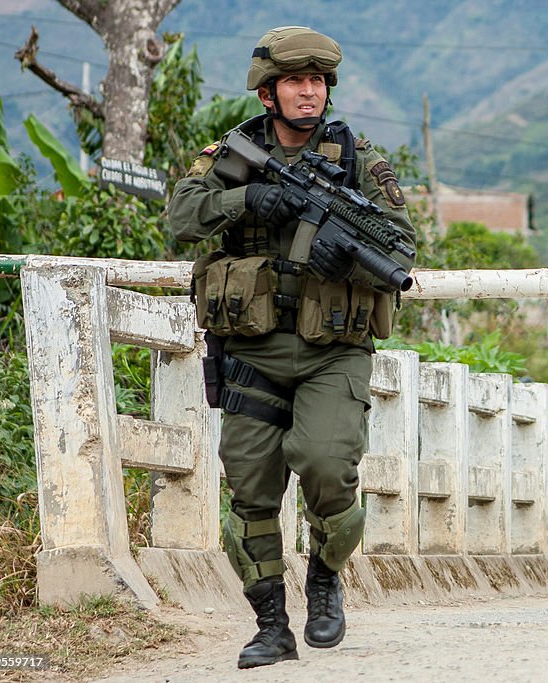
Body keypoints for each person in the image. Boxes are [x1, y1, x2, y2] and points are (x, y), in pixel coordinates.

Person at [168, 26, 416, 669]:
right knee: (249, 488)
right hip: (252, 343)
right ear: (269, 92)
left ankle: (327, 575)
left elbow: (401, 243)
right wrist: (252, 196)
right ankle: (271, 624)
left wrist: (344, 253)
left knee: (328, 465)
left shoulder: (357, 156)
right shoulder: (233, 151)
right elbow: (181, 219)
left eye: (317, 83)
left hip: (334, 346)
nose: (308, 93)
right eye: (294, 83)